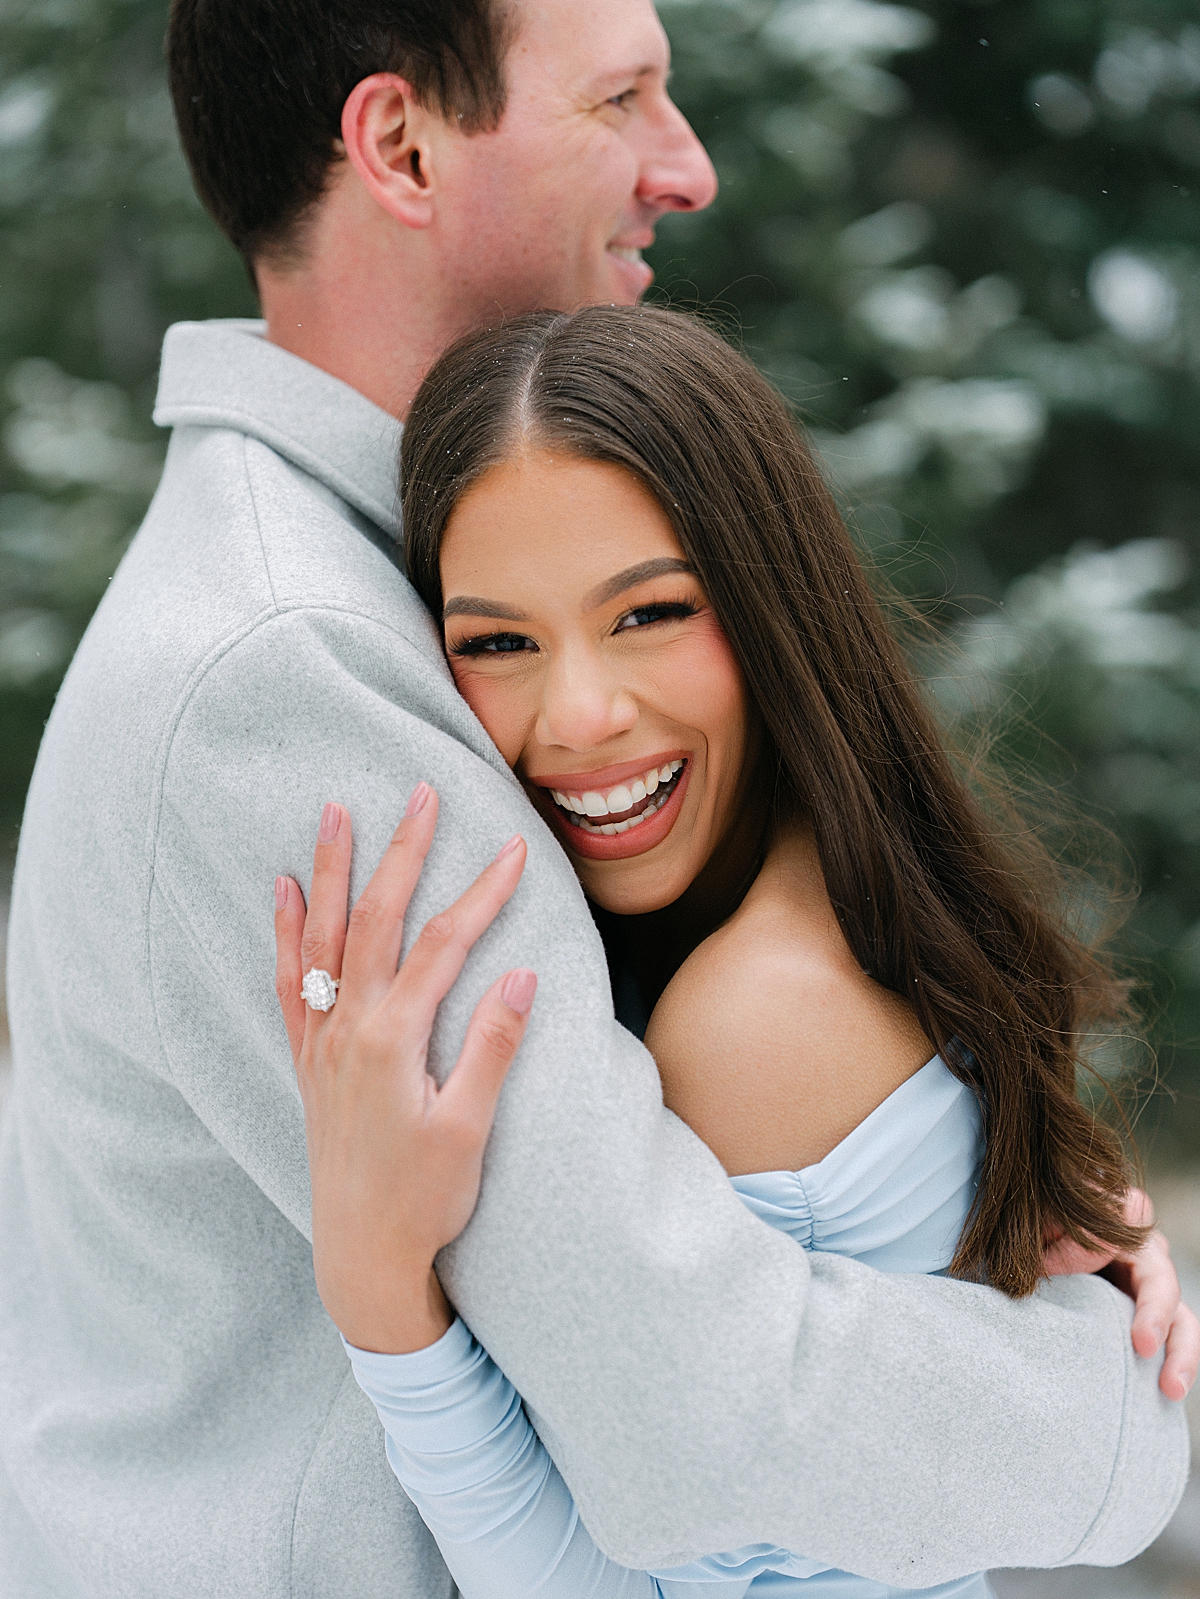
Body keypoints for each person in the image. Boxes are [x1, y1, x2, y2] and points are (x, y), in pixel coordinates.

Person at [0, 0, 1192, 1594]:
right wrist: (1117, 1394)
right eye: (623, 96)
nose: (685, 169)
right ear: (400, 146)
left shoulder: (358, 581)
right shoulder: (294, 670)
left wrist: (970, 1181)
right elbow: (692, 1412)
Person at [270, 305, 1189, 1599]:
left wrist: (382, 1299)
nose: (580, 715)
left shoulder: (754, 1022)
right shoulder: (844, 883)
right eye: (497, 643)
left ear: (769, 601)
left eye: (649, 614)